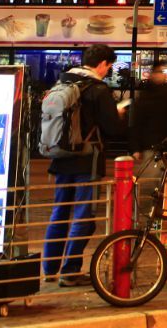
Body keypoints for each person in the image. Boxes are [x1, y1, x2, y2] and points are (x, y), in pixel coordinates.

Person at [43, 45, 127, 286]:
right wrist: (119, 115)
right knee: (83, 215)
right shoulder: (98, 90)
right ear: (102, 64)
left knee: (59, 213)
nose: (108, 71)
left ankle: (50, 269)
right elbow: (112, 129)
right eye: (109, 66)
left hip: (60, 157)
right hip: (87, 161)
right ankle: (70, 271)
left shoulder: (62, 82)